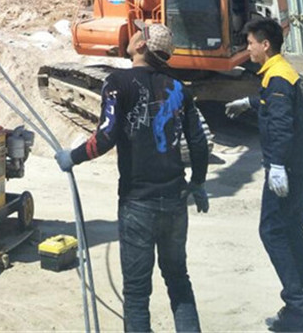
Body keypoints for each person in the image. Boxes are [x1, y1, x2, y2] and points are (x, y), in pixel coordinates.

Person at [55, 23, 209, 333]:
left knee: (137, 294)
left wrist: (72, 157)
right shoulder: (179, 88)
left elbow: (106, 136)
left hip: (138, 203)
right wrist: (199, 182)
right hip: (176, 200)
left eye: (138, 34)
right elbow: (199, 142)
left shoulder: (118, 82)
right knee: (178, 279)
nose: (132, 35)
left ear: (142, 47)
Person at [225, 16, 303, 333]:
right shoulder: (281, 73)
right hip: (299, 166)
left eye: (250, 44)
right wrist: (250, 101)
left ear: (265, 44)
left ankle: (298, 307)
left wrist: (275, 166)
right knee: (292, 228)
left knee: (272, 232)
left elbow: (281, 127)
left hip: (286, 168)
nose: (248, 50)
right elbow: (277, 106)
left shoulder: (276, 79)